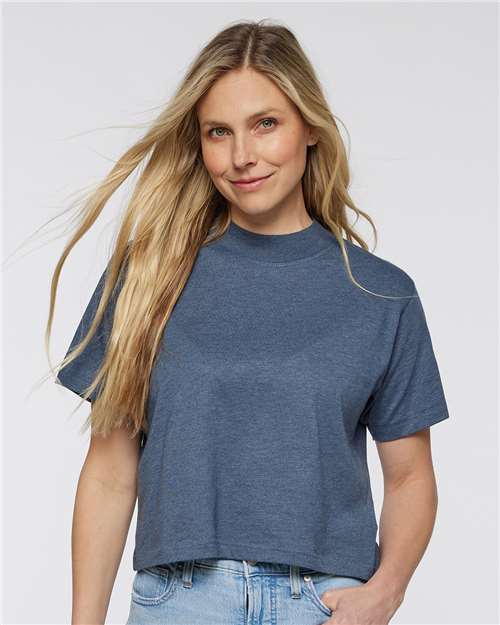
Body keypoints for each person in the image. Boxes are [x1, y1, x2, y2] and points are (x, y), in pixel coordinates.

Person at [50, 19, 450, 625]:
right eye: (219, 132)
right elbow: (109, 473)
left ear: (309, 127)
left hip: (322, 604)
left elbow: (410, 475)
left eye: (266, 124)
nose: (242, 156)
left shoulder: (379, 294)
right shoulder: (147, 277)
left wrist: (386, 590)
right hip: (179, 602)